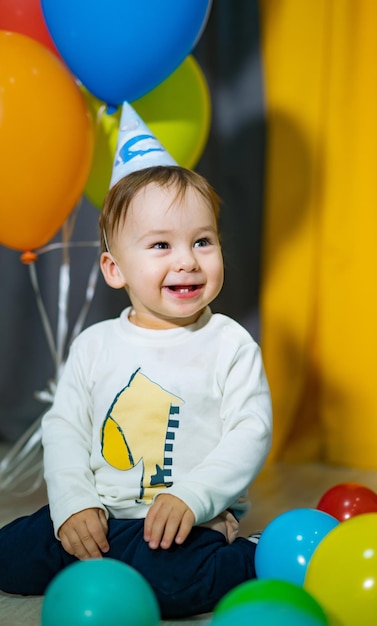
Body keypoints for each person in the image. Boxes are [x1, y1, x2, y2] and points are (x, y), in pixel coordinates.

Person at [0, 105, 272, 618]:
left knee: (174, 584)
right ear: (114, 268)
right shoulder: (96, 345)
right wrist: (74, 506)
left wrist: (194, 497)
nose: (187, 259)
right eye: (161, 245)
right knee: (11, 555)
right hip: (100, 511)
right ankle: (97, 553)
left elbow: (249, 433)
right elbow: (65, 430)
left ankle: (248, 555)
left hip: (186, 519)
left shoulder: (228, 343)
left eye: (203, 241)